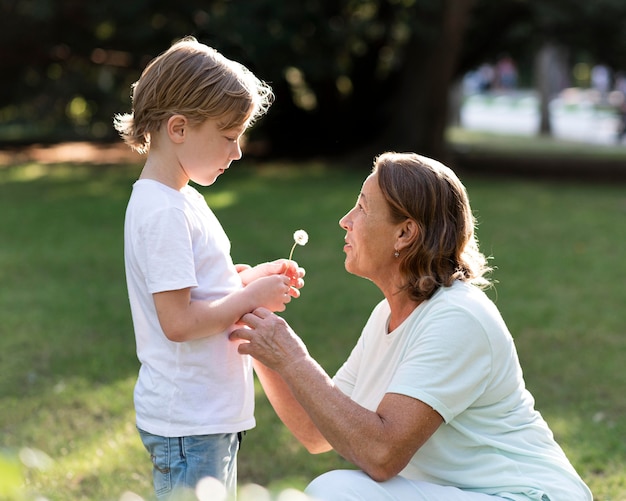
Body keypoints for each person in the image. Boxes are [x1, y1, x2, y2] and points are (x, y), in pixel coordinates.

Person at [231, 152, 593, 500]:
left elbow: (382, 454)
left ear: (405, 234)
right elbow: (315, 431)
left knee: (335, 493)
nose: (346, 219)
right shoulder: (386, 317)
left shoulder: (457, 319)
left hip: (526, 496)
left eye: (362, 207)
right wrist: (261, 340)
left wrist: (292, 357)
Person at [114, 37, 305, 500]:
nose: (237, 152)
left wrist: (250, 278)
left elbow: (201, 293)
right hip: (189, 421)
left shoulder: (183, 199)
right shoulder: (163, 213)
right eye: (228, 136)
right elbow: (178, 322)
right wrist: (249, 300)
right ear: (178, 128)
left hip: (205, 416)